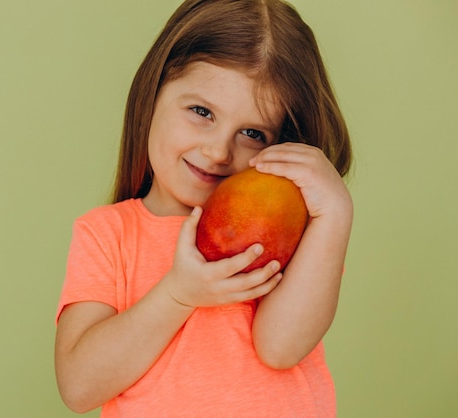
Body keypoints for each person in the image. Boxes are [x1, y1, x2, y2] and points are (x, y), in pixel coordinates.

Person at [54, 0, 353, 416]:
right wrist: (178, 293)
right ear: (153, 93)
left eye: (253, 133)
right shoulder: (108, 234)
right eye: (201, 112)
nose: (217, 151)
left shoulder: (291, 231)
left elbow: (281, 348)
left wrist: (335, 213)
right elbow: (78, 386)